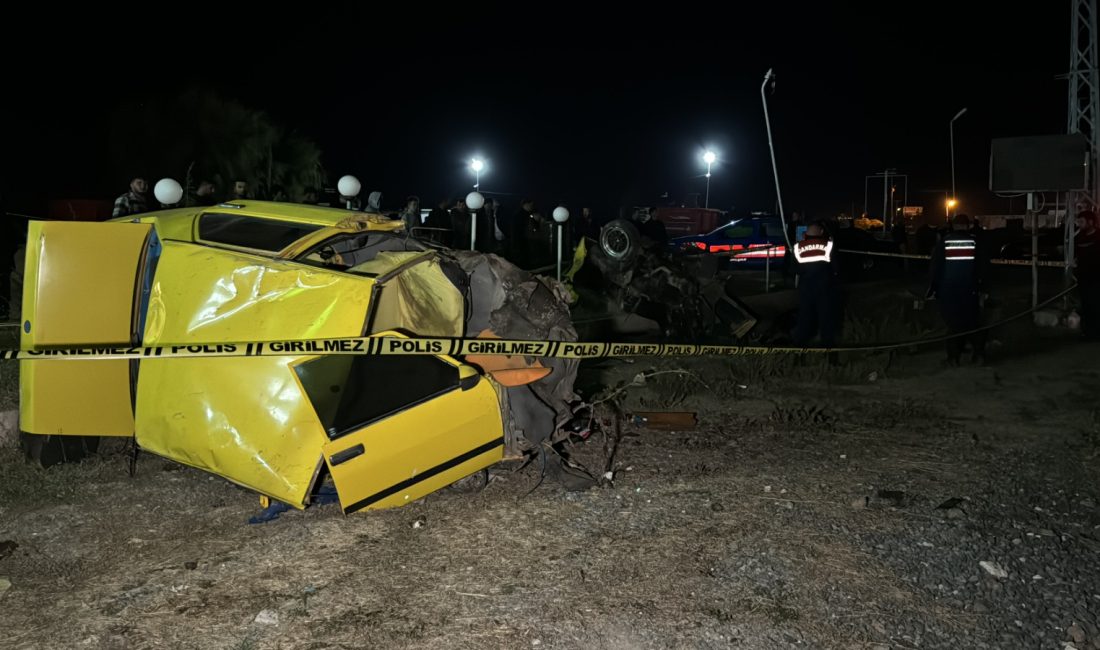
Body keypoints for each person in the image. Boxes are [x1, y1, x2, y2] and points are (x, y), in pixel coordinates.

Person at [928, 213, 987, 364]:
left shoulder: (945, 242)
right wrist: (983, 288)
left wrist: (934, 288)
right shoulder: (975, 242)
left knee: (953, 323)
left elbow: (936, 267)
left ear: (953, 225)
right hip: (970, 290)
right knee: (973, 322)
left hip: (949, 290)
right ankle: (979, 355)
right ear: (968, 226)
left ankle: (953, 358)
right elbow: (983, 267)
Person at [792, 221, 841, 348]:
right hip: (825, 288)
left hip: (805, 289)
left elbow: (792, 269)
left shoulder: (798, 247)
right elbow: (836, 268)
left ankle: (800, 348)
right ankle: (829, 350)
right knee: (826, 318)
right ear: (821, 232)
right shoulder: (828, 245)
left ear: (806, 233)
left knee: (804, 317)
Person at [1074, 209, 1100, 340]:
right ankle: (1088, 332)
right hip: (1083, 279)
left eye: (1081, 222)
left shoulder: (1098, 237)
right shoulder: (1080, 237)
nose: (1079, 224)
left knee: (1096, 305)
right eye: (1078, 222)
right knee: (1086, 306)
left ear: (1090, 222)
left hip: (1096, 279)